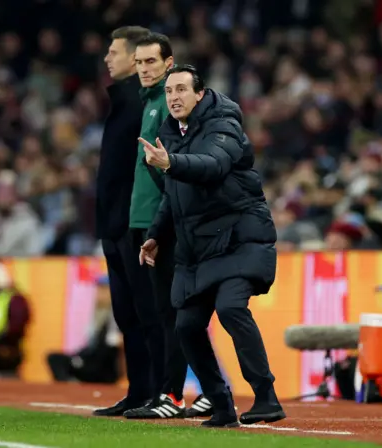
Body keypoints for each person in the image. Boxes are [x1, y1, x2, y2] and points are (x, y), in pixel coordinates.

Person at [138, 64, 285, 427]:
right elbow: (172, 197)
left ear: (200, 94)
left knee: (231, 307)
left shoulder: (224, 125)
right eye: (169, 92)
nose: (174, 97)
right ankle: (220, 403)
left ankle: (266, 397)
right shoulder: (169, 133)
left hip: (239, 237)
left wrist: (170, 162)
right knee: (186, 326)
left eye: (181, 90)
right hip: (198, 248)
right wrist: (155, 235)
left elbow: (213, 166)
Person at [123, 34, 211, 420]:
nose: (143, 69)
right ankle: (202, 390)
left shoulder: (167, 104)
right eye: (139, 63)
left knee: (174, 312)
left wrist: (161, 224)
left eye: (151, 62)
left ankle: (174, 394)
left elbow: (171, 172)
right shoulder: (149, 103)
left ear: (169, 63)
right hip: (147, 220)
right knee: (169, 312)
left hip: (165, 222)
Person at [93, 26, 161, 417]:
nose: (107, 58)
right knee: (127, 314)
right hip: (114, 226)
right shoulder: (123, 103)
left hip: (135, 226)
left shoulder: (144, 105)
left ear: (135, 59)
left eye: (113, 51)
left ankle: (160, 392)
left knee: (148, 311)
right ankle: (139, 391)